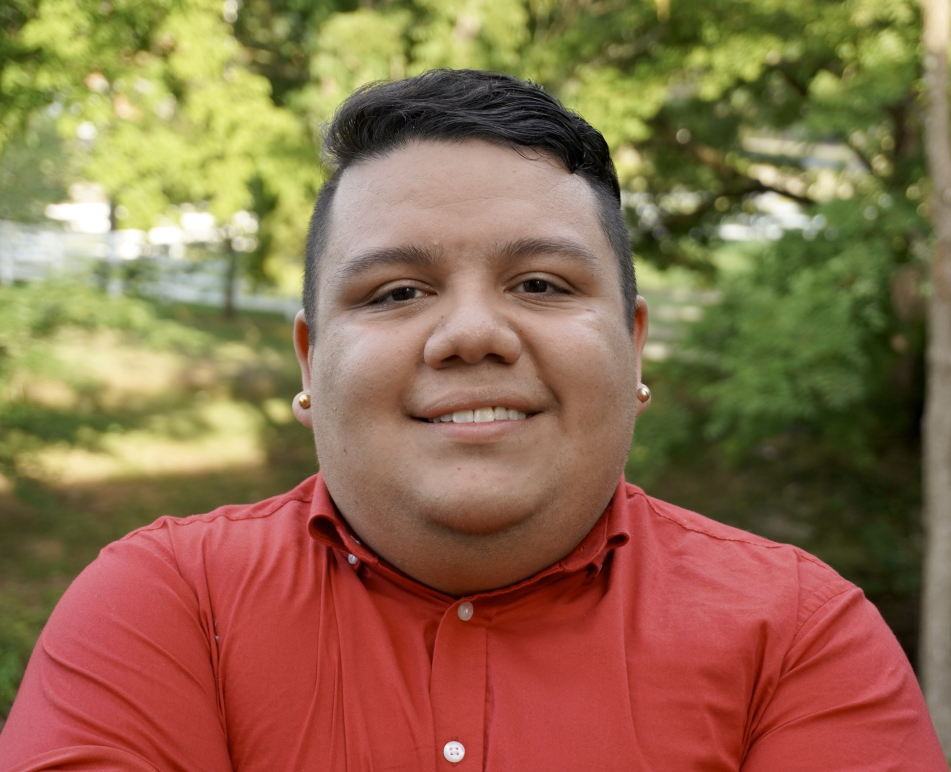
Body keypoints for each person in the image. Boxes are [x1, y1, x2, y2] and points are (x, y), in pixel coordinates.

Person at [0, 69, 944, 771]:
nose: (470, 335)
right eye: (397, 290)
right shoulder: (163, 611)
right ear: (308, 361)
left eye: (539, 283)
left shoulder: (798, 640)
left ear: (633, 345)